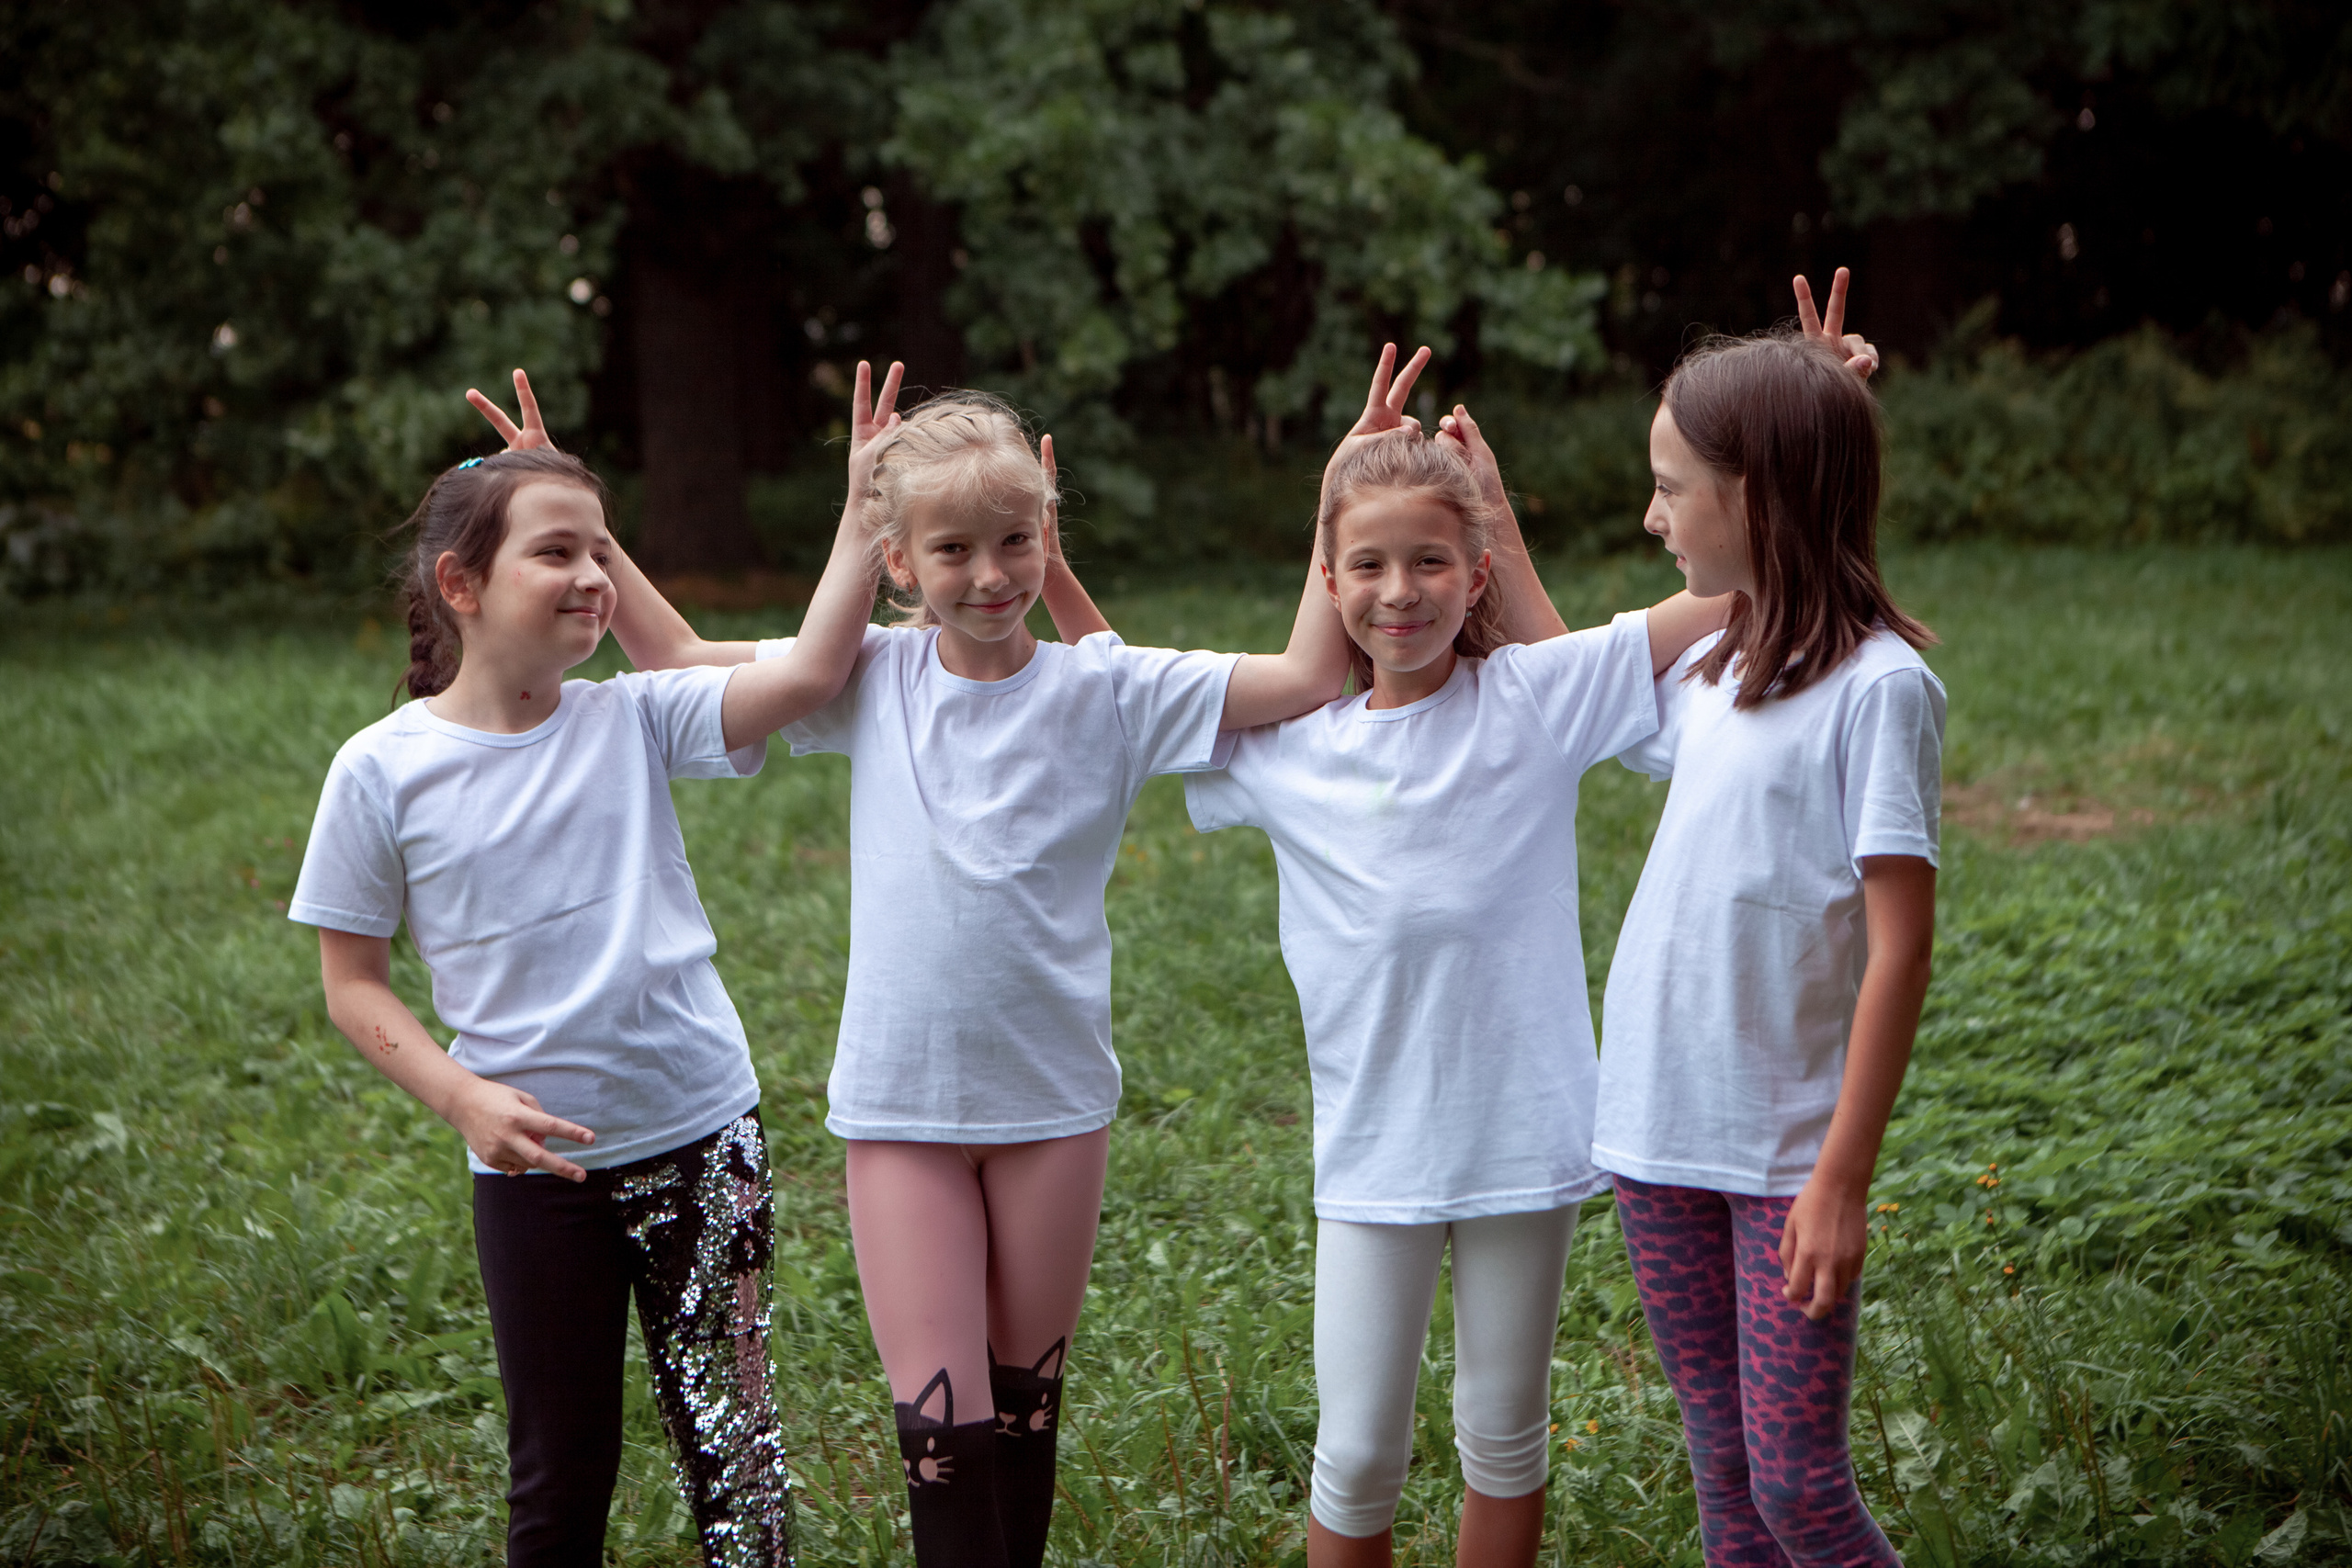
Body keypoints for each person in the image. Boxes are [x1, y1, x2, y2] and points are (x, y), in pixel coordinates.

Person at [570, 386, 1352, 1568]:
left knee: (1023, 1424)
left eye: (1015, 542)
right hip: (902, 1111)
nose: (988, 574)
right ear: (895, 562)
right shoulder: (867, 678)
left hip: (1051, 1108)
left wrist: (1341, 492)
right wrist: (593, 535)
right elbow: (679, 661)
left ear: (1049, 539)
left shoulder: (1112, 688)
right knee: (943, 1443)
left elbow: (1304, 676)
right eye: (951, 549)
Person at [288, 360, 908, 1568]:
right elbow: (351, 979)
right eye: (557, 553)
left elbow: (807, 674)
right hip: (532, 1174)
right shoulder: (382, 769)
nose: (590, 577)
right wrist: (461, 1095)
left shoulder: (634, 714)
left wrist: (859, 514)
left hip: (698, 1131)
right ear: (460, 584)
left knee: (735, 1451)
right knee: (559, 1470)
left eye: (602, 551)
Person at [1182, 347, 1727, 1568]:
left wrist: (1822, 421)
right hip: (1371, 1149)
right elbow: (1114, 698)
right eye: (1366, 564)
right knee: (1360, 1448)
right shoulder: (1289, 748)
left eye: (1431, 559)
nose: (1399, 591)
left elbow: (1740, 591)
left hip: (1522, 1138)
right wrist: (1328, 486)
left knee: (1503, 1431)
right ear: (1328, 579)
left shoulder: (1534, 700)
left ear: (1475, 567)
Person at [1593, 287, 1940, 1568]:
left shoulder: (1882, 689)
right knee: (1726, 1480)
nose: (1652, 514)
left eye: (1673, 485)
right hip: (1653, 1129)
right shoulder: (1715, 663)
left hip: (1786, 1156)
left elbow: (1901, 943)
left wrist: (1841, 1172)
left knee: (1801, 1488)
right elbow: (1551, 668)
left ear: (1762, 494)